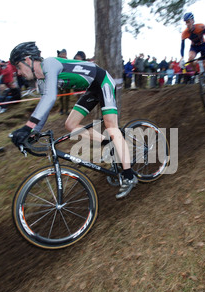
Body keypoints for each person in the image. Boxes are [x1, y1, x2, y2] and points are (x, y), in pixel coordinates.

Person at [9, 42, 137, 199]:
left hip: (102, 81)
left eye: (18, 67)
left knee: (111, 126)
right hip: (92, 88)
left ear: (27, 60)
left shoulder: (49, 64)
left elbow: (50, 98)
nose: (19, 73)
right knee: (70, 125)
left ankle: (129, 175)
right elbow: (45, 107)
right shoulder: (41, 81)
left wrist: (27, 127)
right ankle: (108, 142)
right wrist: (34, 131)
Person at [180, 12, 205, 95]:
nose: (187, 24)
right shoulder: (185, 33)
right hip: (194, 47)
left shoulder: (200, 27)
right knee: (190, 58)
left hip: (203, 46)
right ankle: (197, 73)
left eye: (189, 22)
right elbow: (182, 47)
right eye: (186, 22)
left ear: (193, 21)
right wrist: (182, 58)